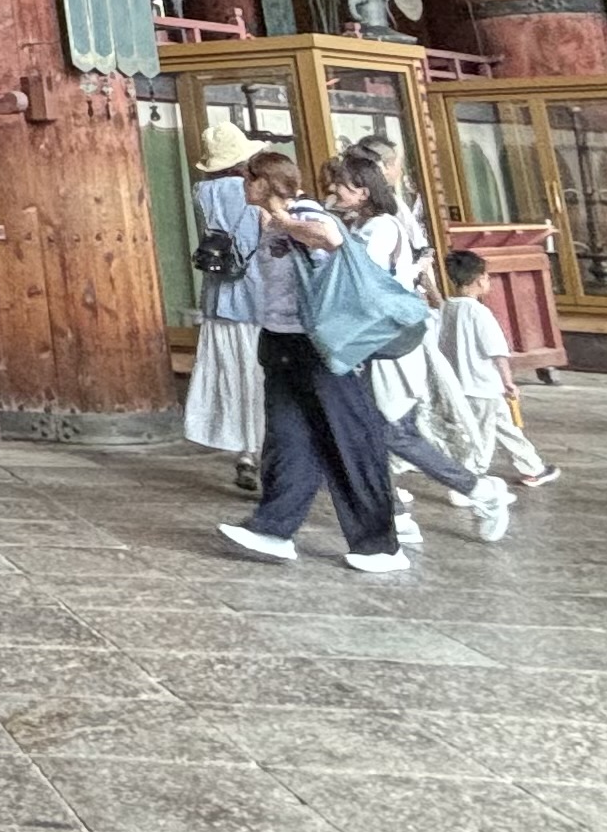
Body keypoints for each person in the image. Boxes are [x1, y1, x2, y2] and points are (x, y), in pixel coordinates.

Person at [217, 149, 403, 574]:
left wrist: (283, 221)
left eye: (248, 179)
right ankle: (274, 529)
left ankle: (380, 544)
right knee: (288, 438)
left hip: (319, 344)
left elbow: (331, 238)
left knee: (348, 438)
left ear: (264, 181)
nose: (244, 187)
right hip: (281, 341)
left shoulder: (304, 211)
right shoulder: (268, 221)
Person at [330, 148, 510, 545]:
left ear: (362, 191)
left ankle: (479, 490)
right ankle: (395, 511)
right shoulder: (365, 224)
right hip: (374, 341)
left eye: (340, 185)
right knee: (373, 430)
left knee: (394, 432)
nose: (334, 191)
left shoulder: (379, 229)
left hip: (386, 343)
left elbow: (363, 281)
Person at [181, 114, 265, 497]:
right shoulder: (254, 192)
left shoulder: (203, 192)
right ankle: (260, 449)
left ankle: (243, 450)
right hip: (257, 296)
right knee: (259, 377)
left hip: (218, 297)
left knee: (231, 375)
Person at [426, 252, 552, 489]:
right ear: (480, 279)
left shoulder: (447, 308)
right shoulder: (479, 313)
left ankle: (533, 467)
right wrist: (508, 382)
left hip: (461, 385)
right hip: (483, 386)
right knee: (481, 440)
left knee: (506, 428)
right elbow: (497, 352)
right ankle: (471, 482)